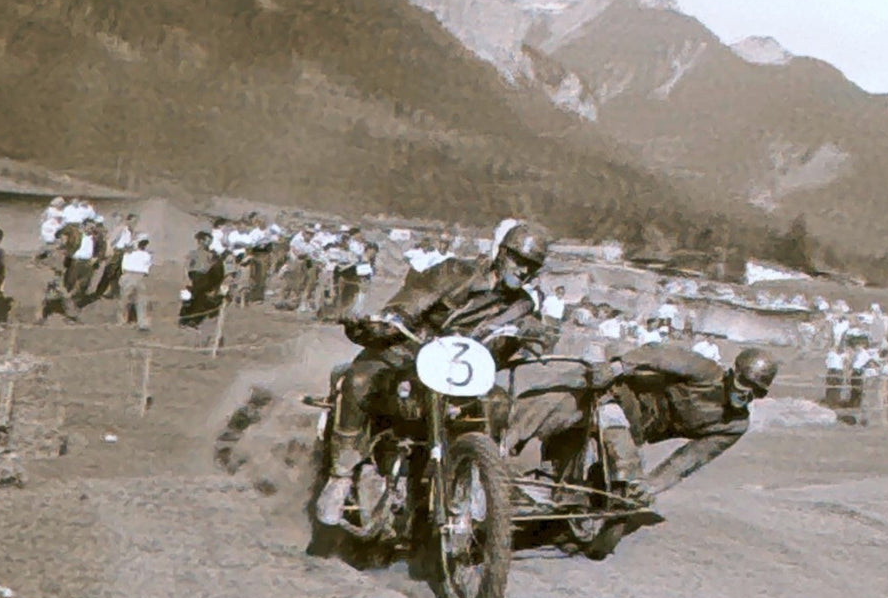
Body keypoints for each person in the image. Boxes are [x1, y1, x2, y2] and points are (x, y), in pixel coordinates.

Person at [317, 222, 554, 525]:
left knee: (498, 402)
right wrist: (390, 322)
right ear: (502, 253)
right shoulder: (455, 272)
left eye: (530, 266)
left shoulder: (522, 304)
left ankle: (479, 478)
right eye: (518, 260)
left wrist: (538, 337)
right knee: (360, 380)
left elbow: (517, 339)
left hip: (459, 374)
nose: (522, 271)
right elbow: (411, 301)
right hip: (410, 350)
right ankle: (341, 474)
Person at [511, 346, 779, 505]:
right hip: (622, 391)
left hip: (638, 428)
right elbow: (658, 355)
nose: (746, 394)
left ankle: (561, 485)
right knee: (564, 395)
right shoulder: (705, 371)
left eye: (755, 391)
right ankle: (506, 442)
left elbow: (690, 459)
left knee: (627, 472)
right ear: (734, 374)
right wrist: (619, 367)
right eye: (745, 385)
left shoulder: (734, 425)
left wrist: (652, 485)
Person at [180, 231, 226, 329]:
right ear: (201, 241)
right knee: (190, 299)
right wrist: (186, 279)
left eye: (210, 241)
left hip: (205, 277)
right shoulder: (194, 253)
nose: (209, 243)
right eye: (207, 240)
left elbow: (213, 267)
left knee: (201, 298)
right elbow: (187, 266)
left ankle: (194, 321)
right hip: (195, 276)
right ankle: (184, 320)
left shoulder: (211, 254)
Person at [117, 235, 154, 331]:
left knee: (139, 300)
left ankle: (141, 322)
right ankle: (124, 320)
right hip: (132, 275)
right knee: (127, 300)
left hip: (136, 276)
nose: (144, 245)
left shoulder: (140, 254)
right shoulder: (143, 255)